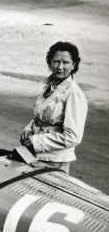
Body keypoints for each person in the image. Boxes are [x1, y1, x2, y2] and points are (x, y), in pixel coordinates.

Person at [20, 41, 88, 174]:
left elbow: (72, 137)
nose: (60, 67)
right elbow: (40, 117)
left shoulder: (73, 94)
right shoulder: (50, 85)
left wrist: (36, 141)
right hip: (37, 155)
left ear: (74, 65)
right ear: (49, 62)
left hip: (55, 161)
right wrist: (28, 129)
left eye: (66, 62)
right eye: (56, 61)